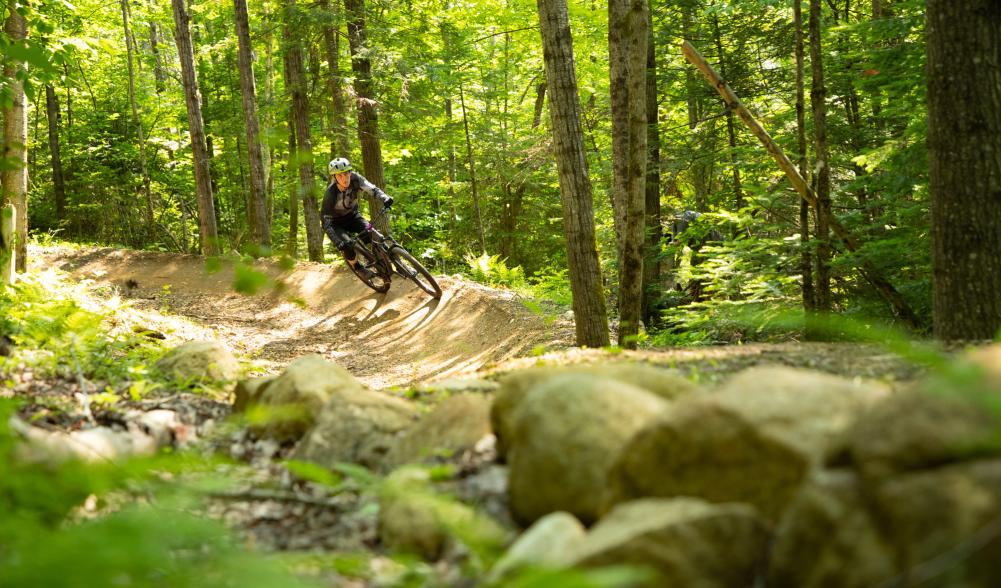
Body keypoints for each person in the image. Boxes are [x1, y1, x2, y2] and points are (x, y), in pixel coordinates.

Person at [321, 157, 394, 279]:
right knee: (347, 245)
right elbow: (326, 222)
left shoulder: (356, 179)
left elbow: (372, 189)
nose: (345, 178)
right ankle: (357, 267)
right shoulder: (331, 194)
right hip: (335, 223)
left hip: (353, 216)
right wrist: (338, 242)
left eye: (346, 173)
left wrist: (384, 197)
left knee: (372, 234)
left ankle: (390, 260)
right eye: (340, 176)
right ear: (334, 178)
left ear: (350, 172)